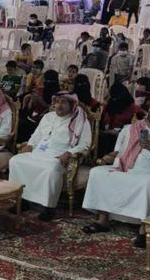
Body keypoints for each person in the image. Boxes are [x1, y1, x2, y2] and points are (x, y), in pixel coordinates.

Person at [82, 102, 150, 246]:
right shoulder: (136, 127)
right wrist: (113, 155)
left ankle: (145, 228)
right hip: (127, 167)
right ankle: (103, 220)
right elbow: (120, 149)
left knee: (146, 184)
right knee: (97, 173)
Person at [8, 91, 91, 221]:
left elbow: (85, 144)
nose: (59, 105)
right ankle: (23, 200)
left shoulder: (80, 120)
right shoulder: (47, 117)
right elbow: (36, 135)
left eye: (63, 102)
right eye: (57, 102)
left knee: (51, 169)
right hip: (39, 152)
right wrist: (30, 145)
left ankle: (49, 207)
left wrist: (70, 153)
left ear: (72, 104)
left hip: (59, 156)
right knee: (15, 161)